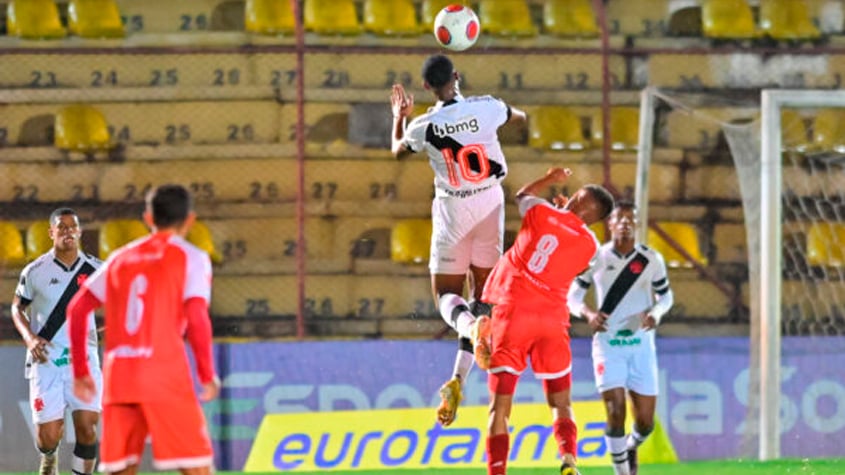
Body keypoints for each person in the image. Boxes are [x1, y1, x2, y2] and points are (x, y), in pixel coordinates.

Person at [390, 53, 527, 426]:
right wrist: (493, 123)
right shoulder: (487, 107)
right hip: (490, 202)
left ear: (426, 87)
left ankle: (467, 335)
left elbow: (397, 151)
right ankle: (459, 377)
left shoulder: (425, 125)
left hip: (454, 209)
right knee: (481, 298)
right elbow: (520, 118)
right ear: (457, 76)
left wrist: (399, 117)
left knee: (446, 297)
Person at [67, 184, 220, 475]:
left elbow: (76, 309)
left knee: (121, 469)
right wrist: (206, 373)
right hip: (164, 372)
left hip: (121, 376)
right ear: (190, 220)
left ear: (148, 218)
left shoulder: (119, 259)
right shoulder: (191, 257)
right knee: (197, 467)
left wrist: (80, 372)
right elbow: (197, 317)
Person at [480, 167, 615, 475]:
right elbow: (569, 264)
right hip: (552, 321)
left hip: (514, 313)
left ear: (578, 198)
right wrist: (565, 216)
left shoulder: (541, 210)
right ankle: (569, 459)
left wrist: (548, 180)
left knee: (500, 407)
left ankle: (497, 472)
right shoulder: (592, 246)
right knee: (561, 402)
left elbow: (522, 195)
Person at [567, 201, 674, 475]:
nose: (625, 223)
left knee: (646, 423)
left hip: (641, 347)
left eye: (631, 219)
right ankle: (622, 472)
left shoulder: (651, 259)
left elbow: (666, 296)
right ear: (610, 224)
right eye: (619, 218)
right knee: (615, 410)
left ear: (637, 225)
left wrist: (657, 313)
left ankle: (630, 446)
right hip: (608, 346)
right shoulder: (596, 258)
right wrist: (588, 314)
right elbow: (573, 297)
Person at [10, 208, 102, 475]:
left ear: (80, 232)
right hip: (47, 360)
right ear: (51, 233)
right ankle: (49, 457)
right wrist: (29, 338)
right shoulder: (35, 271)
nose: (68, 232)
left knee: (87, 428)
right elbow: (17, 308)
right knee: (48, 437)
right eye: (61, 227)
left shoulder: (97, 269)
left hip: (84, 359)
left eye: (73, 227)